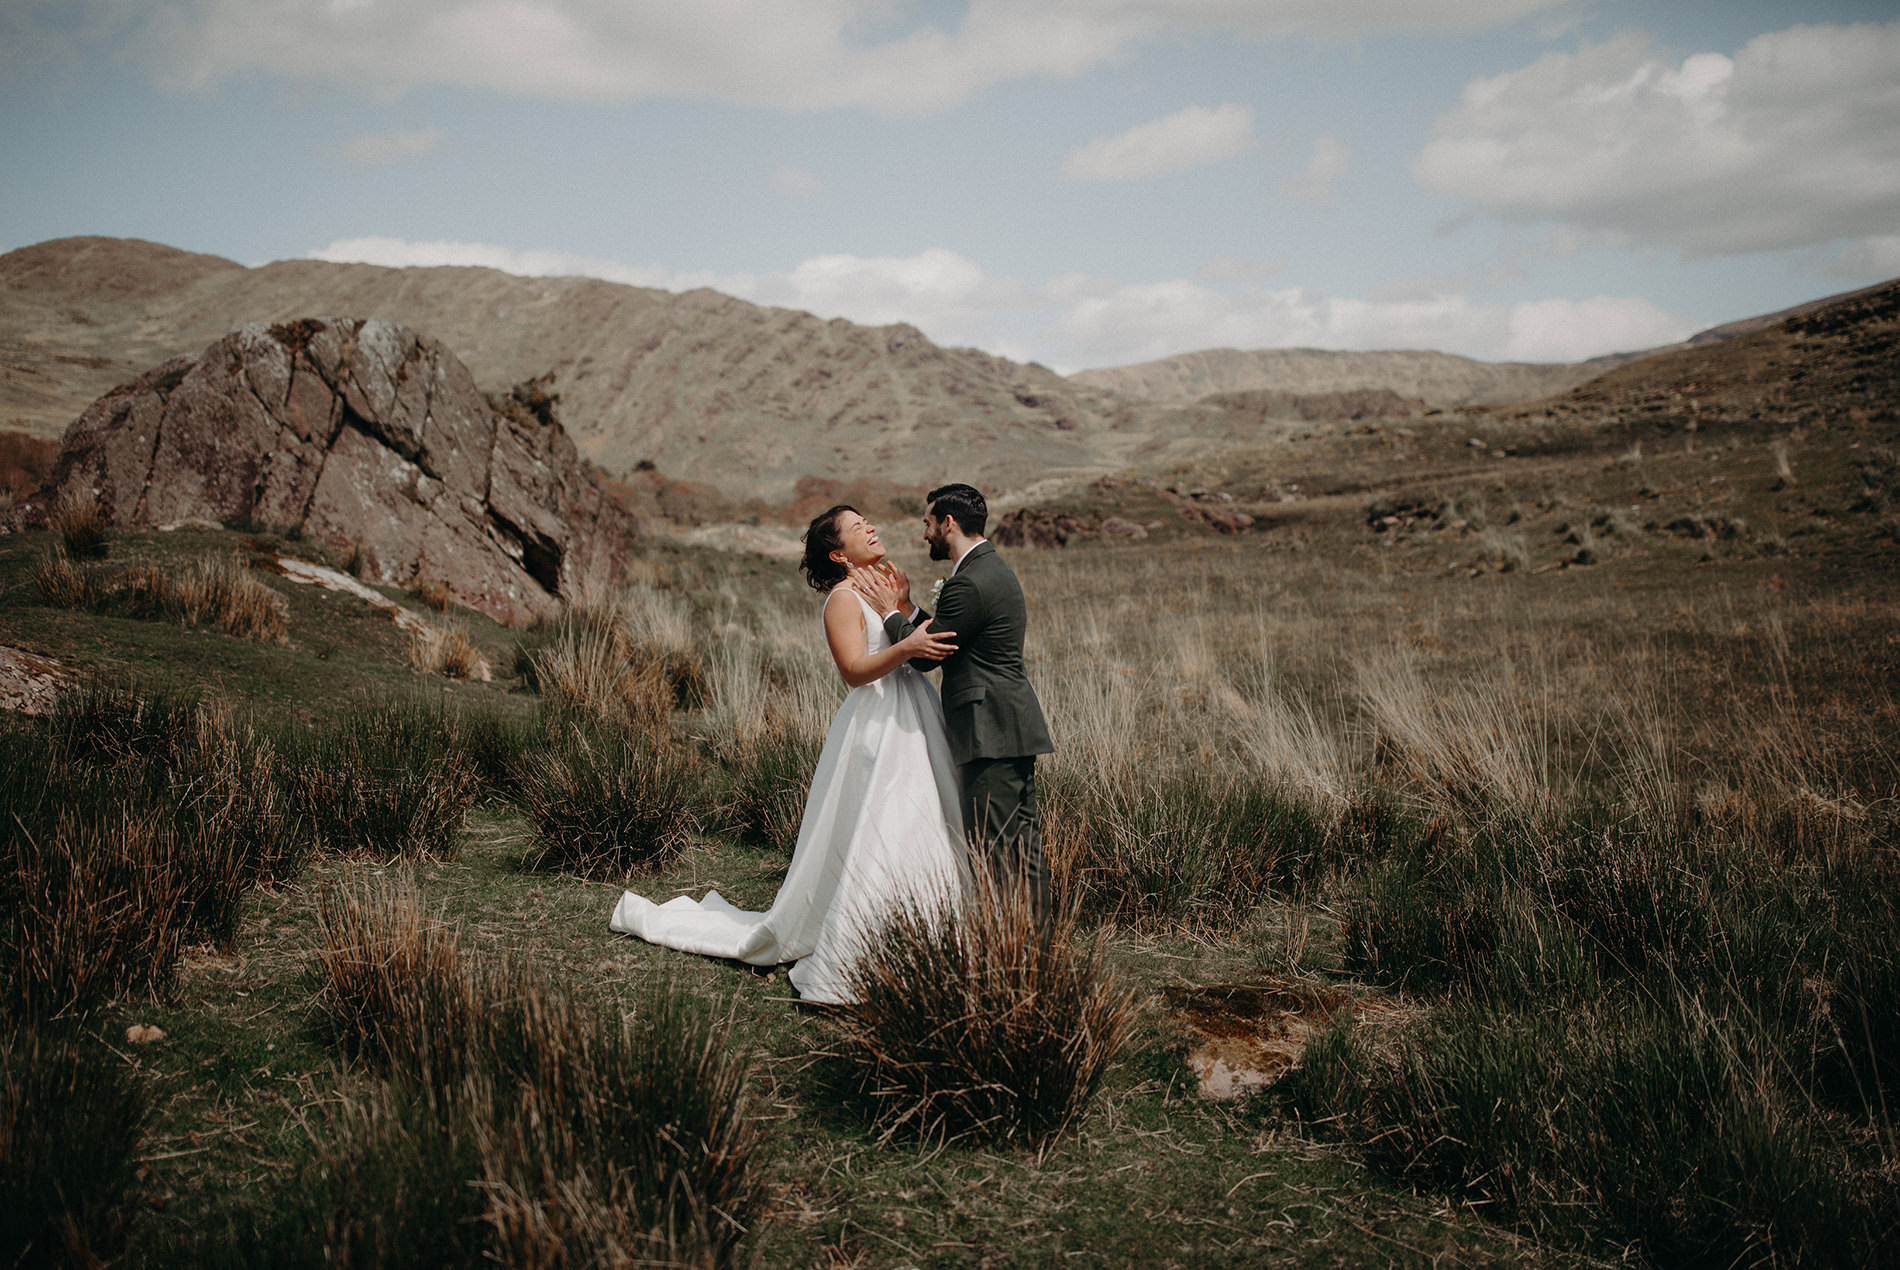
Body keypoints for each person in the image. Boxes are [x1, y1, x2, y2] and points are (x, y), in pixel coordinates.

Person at [608, 505, 964, 1005]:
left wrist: (902, 608)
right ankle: (870, 938)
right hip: (878, 725)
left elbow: (916, 643)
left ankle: (934, 933)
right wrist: (906, 647)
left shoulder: (882, 587)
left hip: (914, 717)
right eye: (858, 526)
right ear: (839, 553)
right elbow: (855, 671)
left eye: (868, 521)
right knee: (886, 822)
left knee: (924, 820)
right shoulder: (842, 599)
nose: (871, 527)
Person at [857, 483, 1055, 922]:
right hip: (1009, 726)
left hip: (990, 730)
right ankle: (1038, 944)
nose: (925, 534)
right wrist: (909, 609)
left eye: (928, 524)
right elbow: (950, 633)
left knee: (998, 846)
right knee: (1021, 845)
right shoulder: (986, 570)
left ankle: (1015, 948)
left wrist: (889, 612)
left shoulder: (971, 581)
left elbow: (929, 655)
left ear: (948, 523)